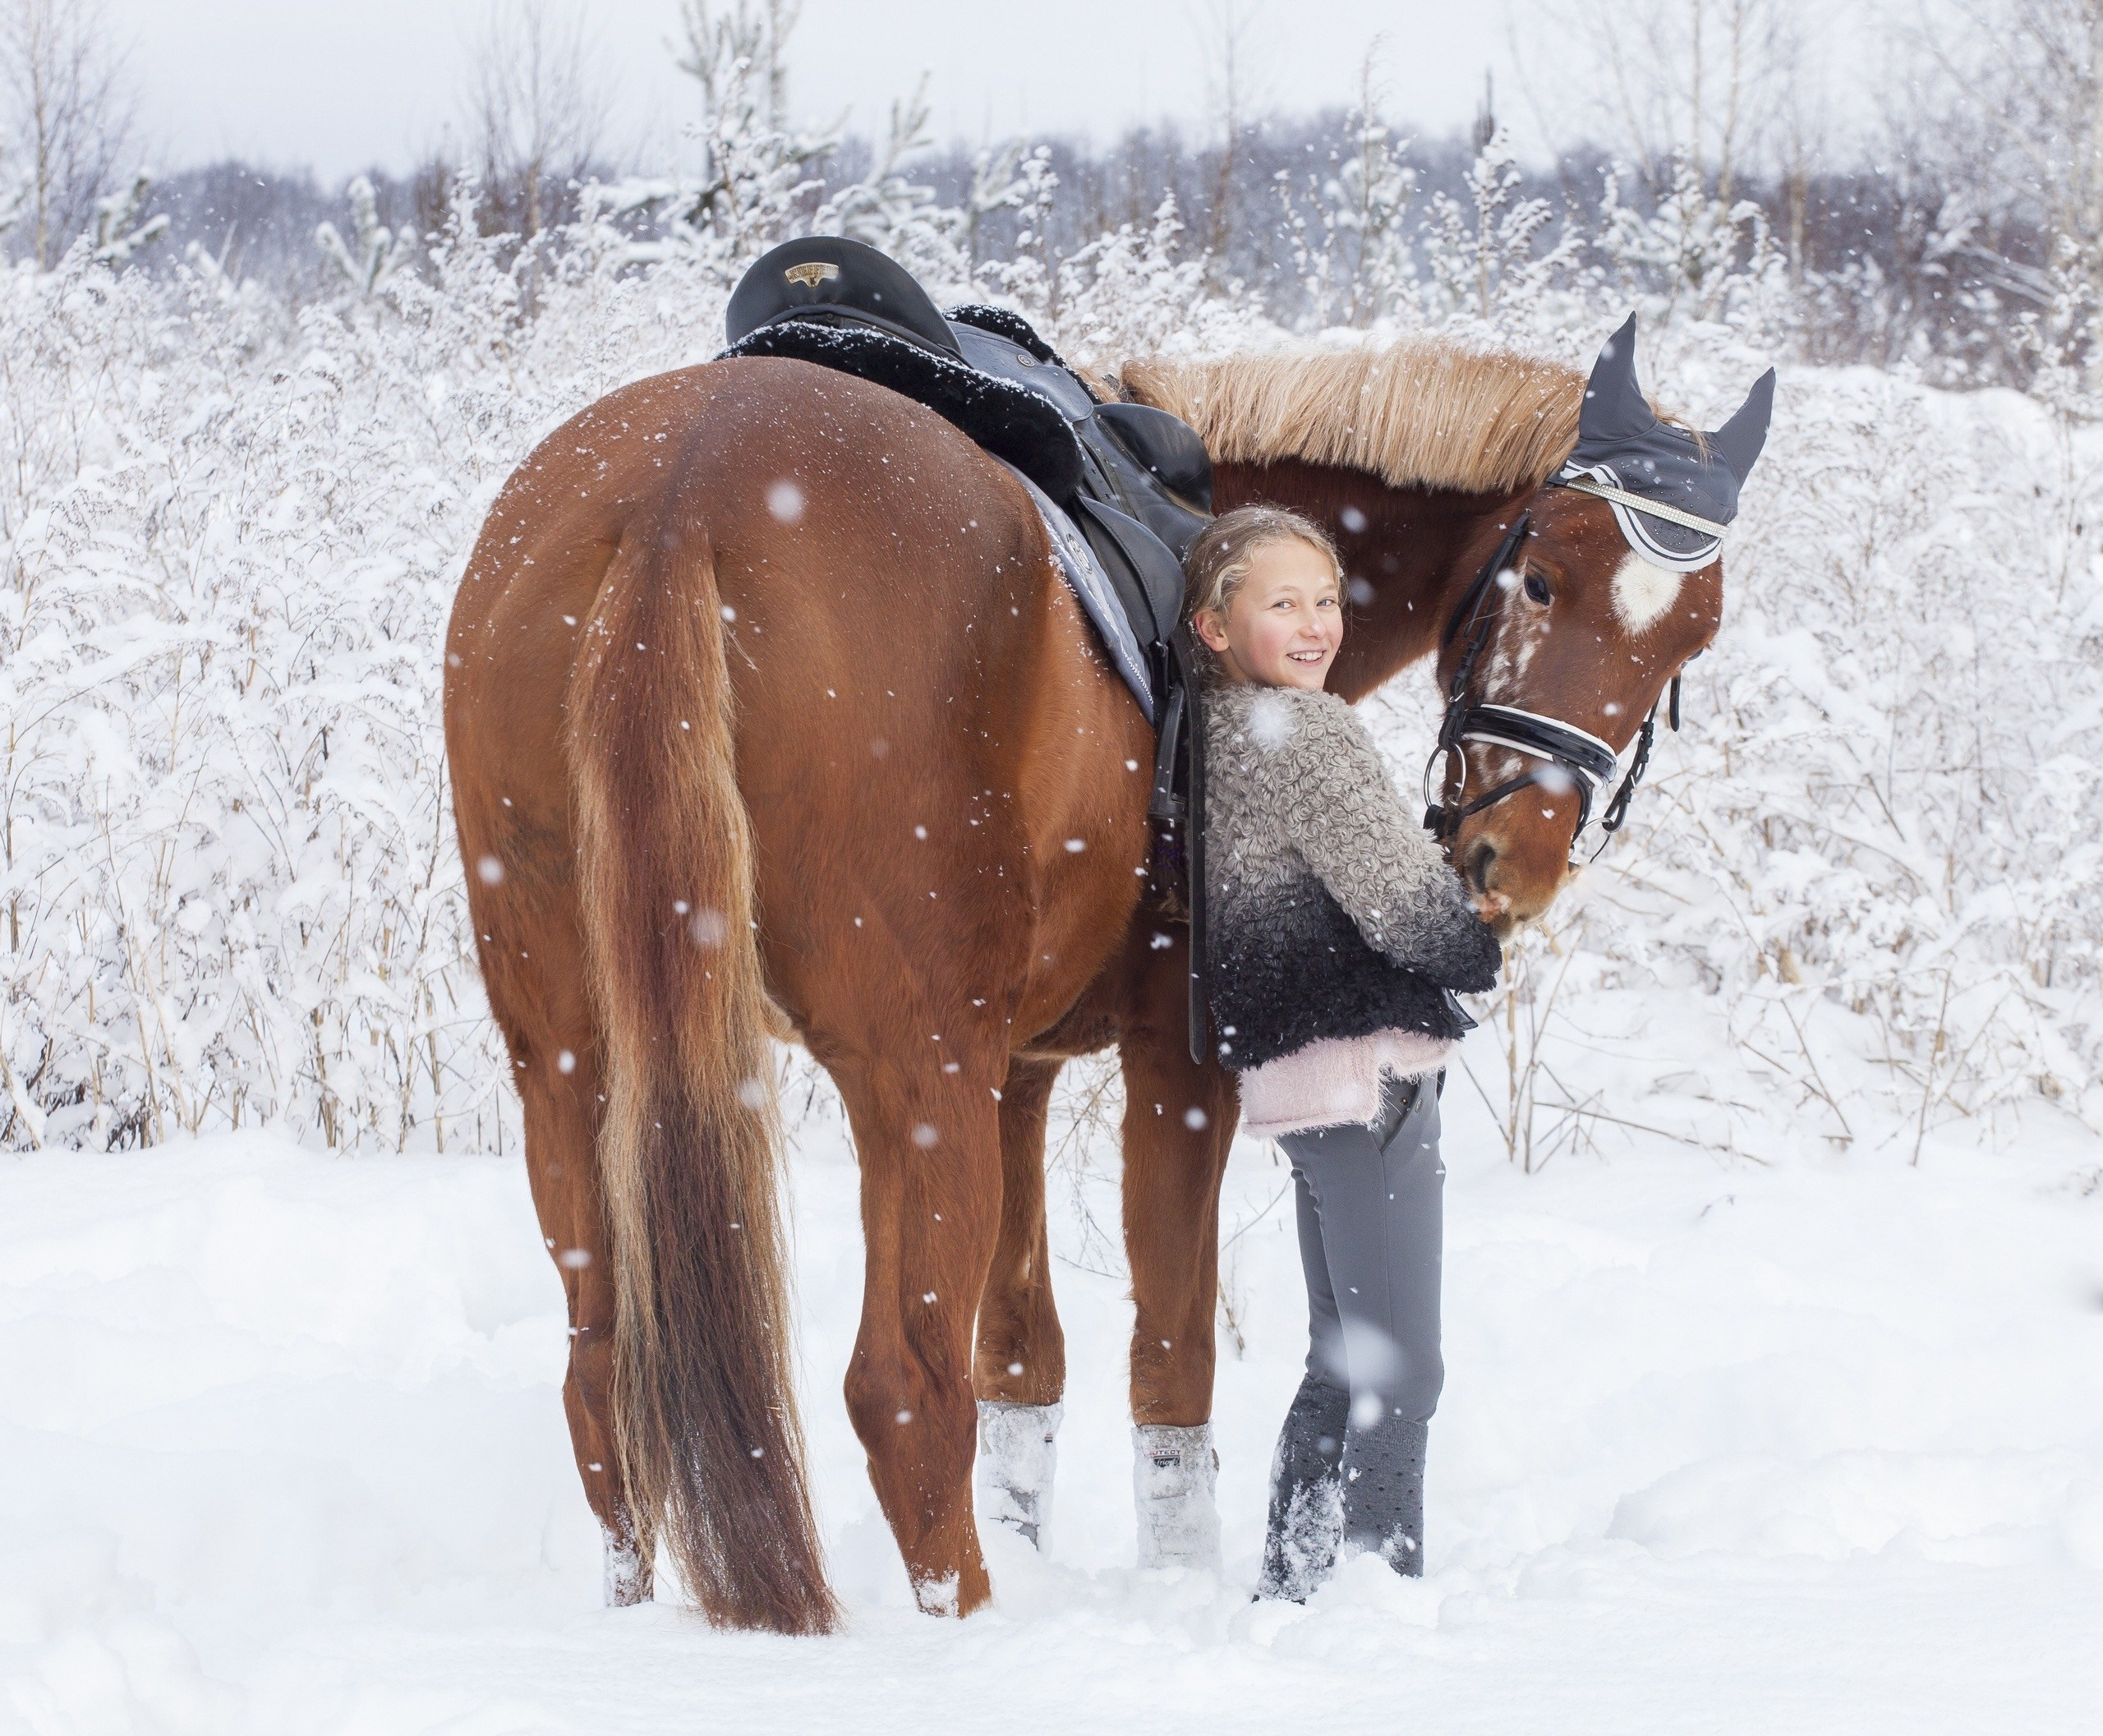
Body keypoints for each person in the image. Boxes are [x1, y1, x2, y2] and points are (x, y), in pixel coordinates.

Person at [1187, 505, 1502, 1599]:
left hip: (1299, 1083)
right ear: (1215, 625)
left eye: (1326, 600)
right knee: (1401, 1367)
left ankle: (1298, 1575)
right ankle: (1372, 1589)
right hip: (1367, 1074)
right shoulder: (1305, 732)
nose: (1317, 624)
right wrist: (1476, 930)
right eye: (1282, 603)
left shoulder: (1215, 732)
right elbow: (1403, 905)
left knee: (1344, 1352)